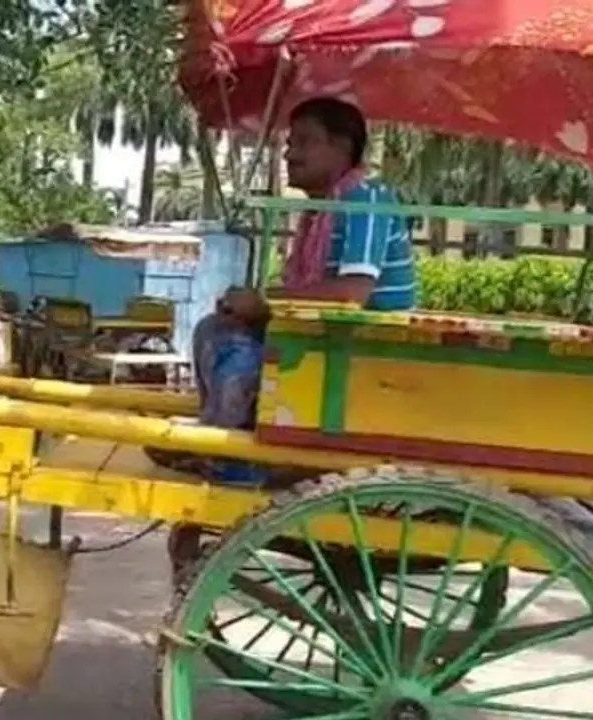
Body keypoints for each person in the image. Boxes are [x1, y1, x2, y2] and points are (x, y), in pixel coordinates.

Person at [164, 96, 417, 571]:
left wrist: (265, 304)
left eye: (303, 142)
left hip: (366, 352)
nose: (289, 154)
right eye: (288, 142)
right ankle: (221, 445)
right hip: (333, 343)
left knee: (233, 346)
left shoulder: (365, 198)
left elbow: (353, 292)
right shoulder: (323, 210)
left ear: (342, 147)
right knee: (218, 328)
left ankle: (234, 463)